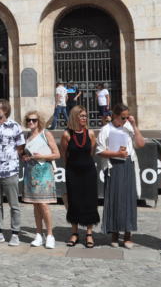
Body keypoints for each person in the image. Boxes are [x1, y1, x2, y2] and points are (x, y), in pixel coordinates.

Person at [96, 104, 145, 248]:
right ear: (115, 116)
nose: (125, 120)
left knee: (129, 198)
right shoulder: (106, 129)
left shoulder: (128, 127)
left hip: (128, 164)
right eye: (123, 117)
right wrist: (116, 154)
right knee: (115, 198)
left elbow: (141, 144)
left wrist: (134, 125)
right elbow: (99, 151)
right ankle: (115, 232)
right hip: (114, 165)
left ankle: (128, 233)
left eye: (127, 117)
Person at [0, 99, 25, 246]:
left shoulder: (15, 126)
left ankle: (15, 233)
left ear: (5, 110)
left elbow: (20, 148)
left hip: (9, 171)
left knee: (14, 204)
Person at [61, 105, 100, 248]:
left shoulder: (90, 133)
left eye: (85, 116)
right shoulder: (67, 134)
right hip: (73, 173)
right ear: (74, 116)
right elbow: (64, 155)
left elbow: (91, 152)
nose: (84, 118)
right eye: (81, 116)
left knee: (90, 201)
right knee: (74, 201)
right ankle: (75, 233)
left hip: (88, 172)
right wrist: (73, 167)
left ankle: (89, 234)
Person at [21, 110, 59, 249]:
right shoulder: (27, 135)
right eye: (29, 120)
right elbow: (25, 154)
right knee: (36, 204)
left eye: (34, 120)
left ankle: (50, 235)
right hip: (31, 172)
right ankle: (38, 234)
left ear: (39, 121)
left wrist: (41, 156)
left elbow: (56, 154)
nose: (31, 122)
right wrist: (26, 157)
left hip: (44, 173)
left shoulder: (46, 133)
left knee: (44, 205)